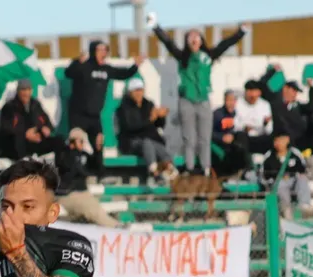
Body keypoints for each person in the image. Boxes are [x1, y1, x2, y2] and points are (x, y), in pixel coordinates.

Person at [149, 12, 246, 174]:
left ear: (201, 40)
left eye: (197, 37)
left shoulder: (208, 56)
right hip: (186, 101)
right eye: (191, 37)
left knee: (204, 138)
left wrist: (241, 32)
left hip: (203, 101)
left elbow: (226, 44)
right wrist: (155, 27)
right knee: (189, 139)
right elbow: (168, 42)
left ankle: (206, 168)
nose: (194, 40)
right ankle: (190, 168)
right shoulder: (182, 57)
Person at [64, 41, 142, 176]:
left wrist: (136, 65)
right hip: (78, 114)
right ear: (93, 51)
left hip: (94, 116)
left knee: (99, 142)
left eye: (105, 50)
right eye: (100, 50)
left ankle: (100, 174)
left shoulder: (107, 69)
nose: (103, 53)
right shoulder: (84, 66)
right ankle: (74, 175)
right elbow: (68, 73)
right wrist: (77, 62)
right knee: (76, 143)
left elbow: (123, 74)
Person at [116, 77, 170, 181]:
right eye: (136, 90)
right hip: (132, 141)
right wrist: (150, 119)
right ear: (130, 92)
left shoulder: (148, 104)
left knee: (160, 146)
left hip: (149, 139)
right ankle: (154, 172)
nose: (139, 93)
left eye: (140, 90)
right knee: (147, 143)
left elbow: (159, 125)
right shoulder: (124, 108)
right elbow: (131, 127)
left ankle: (171, 170)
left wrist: (161, 116)